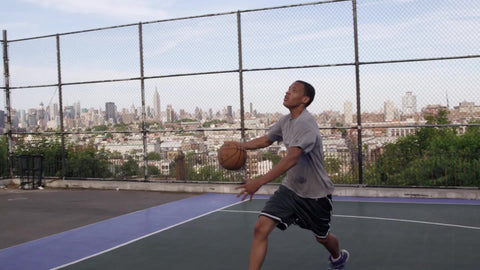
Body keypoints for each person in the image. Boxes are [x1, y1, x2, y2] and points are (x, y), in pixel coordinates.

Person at [233, 80, 349, 270]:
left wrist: (259, 182)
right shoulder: (285, 121)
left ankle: (338, 257)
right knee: (260, 228)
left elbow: (293, 157)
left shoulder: (306, 124)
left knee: (322, 238)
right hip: (290, 189)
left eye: (293, 91)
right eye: (288, 89)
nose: (287, 93)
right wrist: (239, 146)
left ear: (305, 99)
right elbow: (265, 140)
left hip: (315, 195)